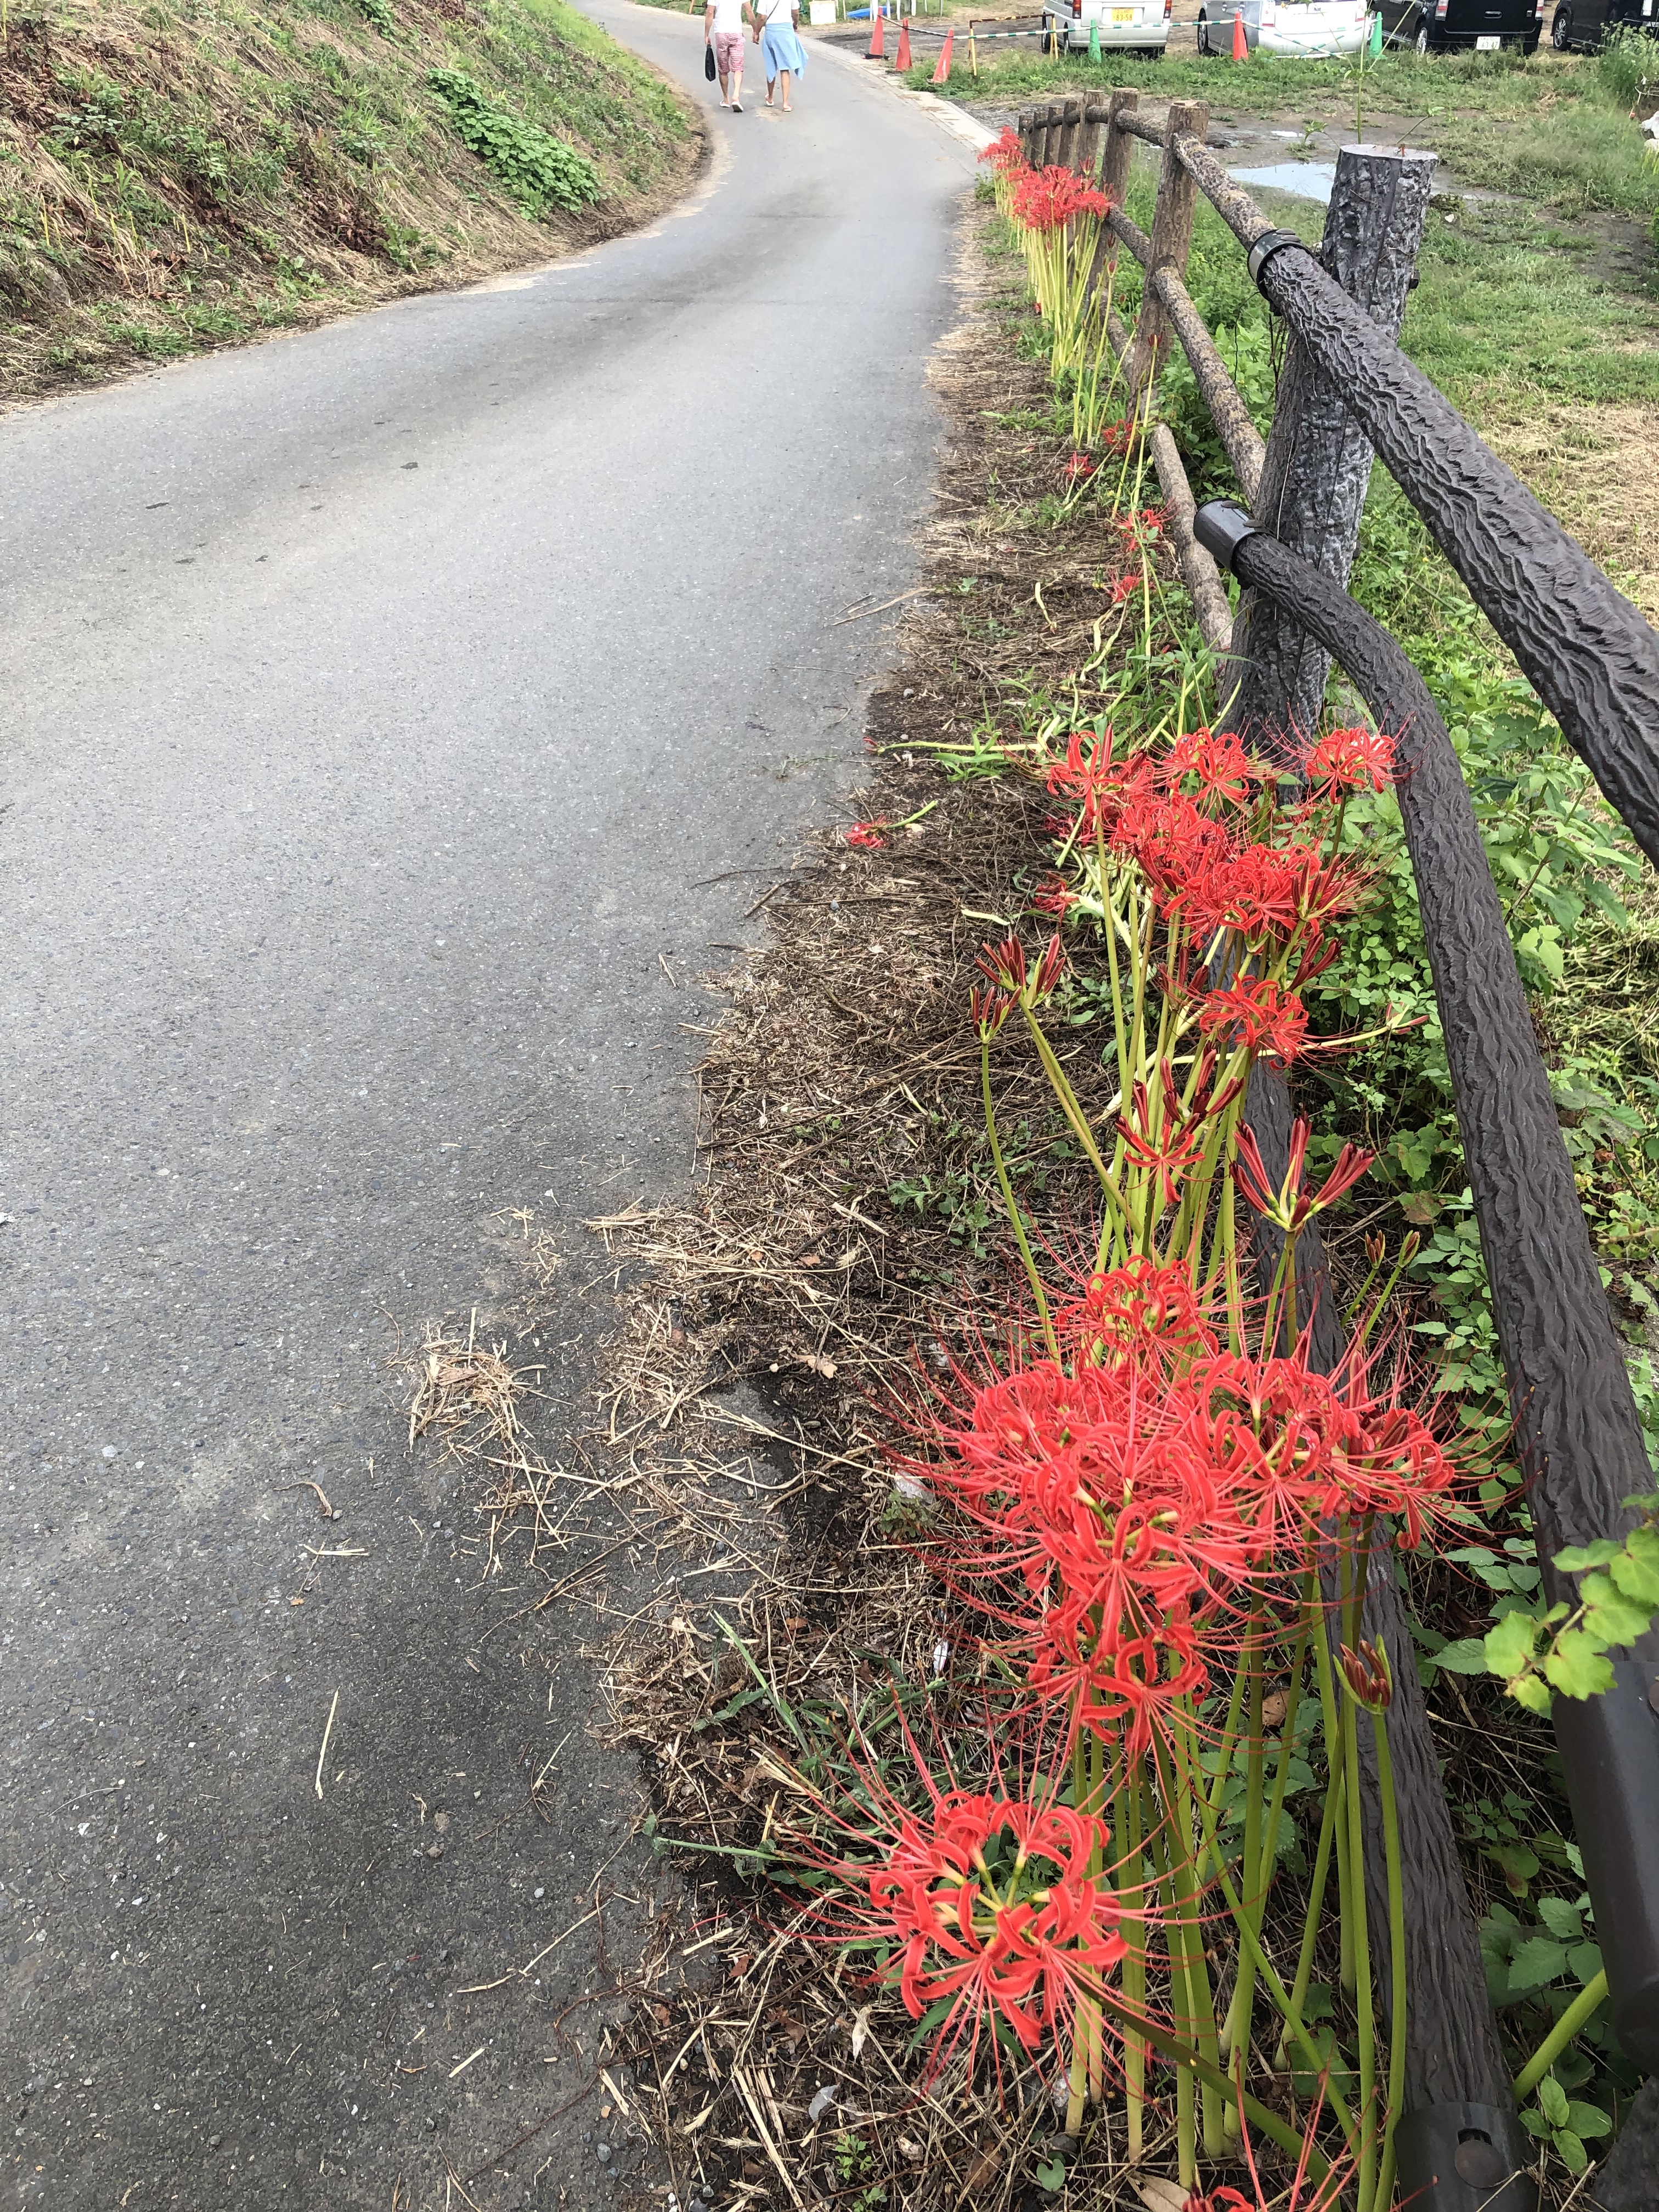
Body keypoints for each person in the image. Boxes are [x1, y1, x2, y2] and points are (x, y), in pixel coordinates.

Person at [752, 0, 808, 110]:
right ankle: (785, 104)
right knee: (785, 67)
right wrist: (795, 24)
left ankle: (771, 97)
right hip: (786, 31)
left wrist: (756, 32)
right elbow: (795, 12)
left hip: (771, 31)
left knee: (771, 65)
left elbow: (762, 17)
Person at [704, 0, 752, 111]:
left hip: (721, 33)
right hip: (736, 32)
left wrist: (706, 34)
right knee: (738, 67)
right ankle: (736, 96)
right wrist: (755, 30)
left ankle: (726, 99)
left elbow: (710, 12)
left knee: (723, 68)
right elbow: (749, 10)